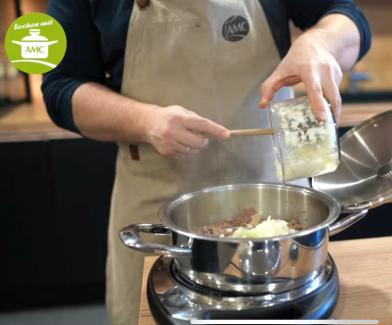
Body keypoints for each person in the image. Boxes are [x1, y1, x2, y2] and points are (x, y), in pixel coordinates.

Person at [42, 0, 371, 324]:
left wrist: (319, 43)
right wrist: (144, 121)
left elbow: (348, 17)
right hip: (161, 211)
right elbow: (61, 87)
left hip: (276, 206)